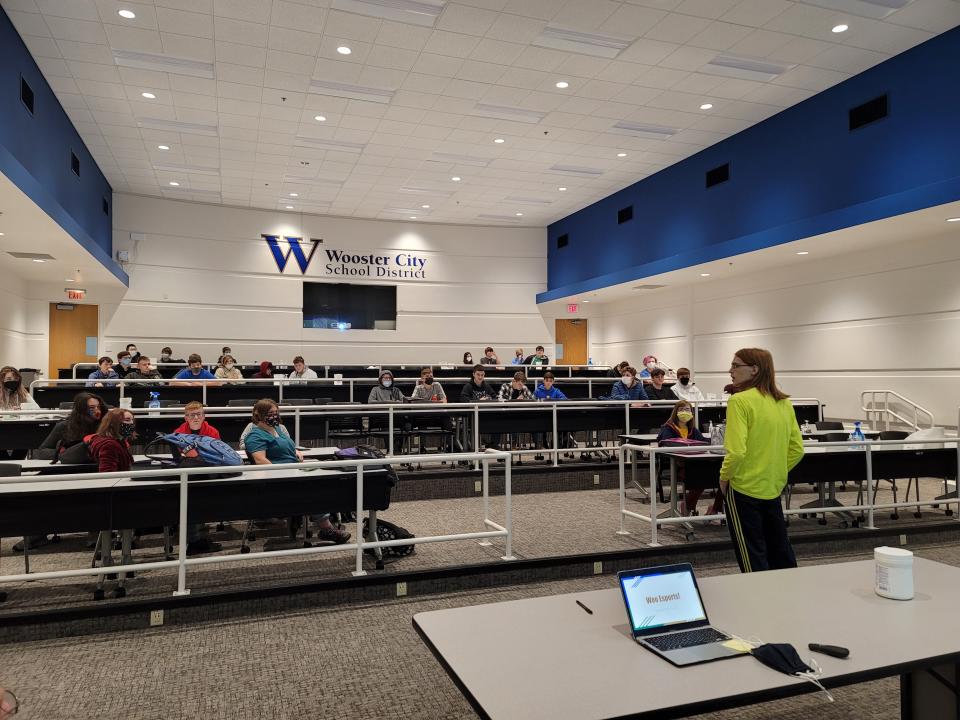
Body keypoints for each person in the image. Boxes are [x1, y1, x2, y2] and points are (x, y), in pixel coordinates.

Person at [720, 348, 804, 573]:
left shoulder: (739, 401)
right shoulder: (783, 402)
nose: (731, 370)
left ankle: (756, 601)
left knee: (751, 555)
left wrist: (724, 477)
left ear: (754, 369)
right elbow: (797, 450)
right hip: (772, 486)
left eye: (736, 366)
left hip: (744, 488)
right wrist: (773, 469)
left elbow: (736, 452)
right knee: (780, 550)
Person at [245, 399, 349, 543]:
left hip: (294, 470)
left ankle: (313, 518)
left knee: (328, 476)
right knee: (312, 488)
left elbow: (287, 446)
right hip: (280, 478)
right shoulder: (255, 436)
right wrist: (283, 473)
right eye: (270, 413)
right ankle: (327, 529)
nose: (274, 416)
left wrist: (295, 452)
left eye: (276, 412)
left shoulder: (279, 429)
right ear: (259, 415)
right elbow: (261, 461)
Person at [170, 402, 223, 554]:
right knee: (191, 503)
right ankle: (194, 541)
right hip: (189, 474)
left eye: (199, 414)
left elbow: (215, 454)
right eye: (192, 415)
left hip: (208, 472)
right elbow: (183, 456)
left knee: (204, 504)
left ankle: (199, 538)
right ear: (185, 417)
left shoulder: (212, 431)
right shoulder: (178, 433)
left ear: (204, 416)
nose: (196, 418)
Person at [656, 401, 718, 517]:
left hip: (695, 464)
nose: (685, 412)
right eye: (682, 409)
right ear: (676, 412)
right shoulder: (668, 429)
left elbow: (704, 442)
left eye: (688, 410)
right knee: (702, 477)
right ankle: (688, 506)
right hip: (676, 466)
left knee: (714, 474)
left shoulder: (693, 430)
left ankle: (709, 507)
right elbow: (667, 446)